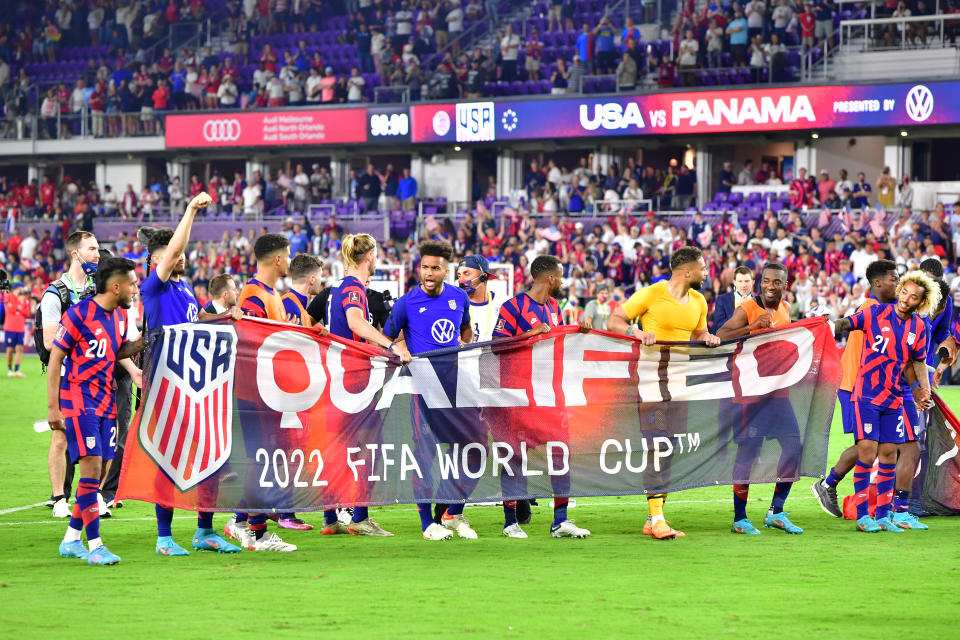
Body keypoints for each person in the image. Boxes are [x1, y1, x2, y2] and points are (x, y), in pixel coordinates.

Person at [140, 193, 242, 556]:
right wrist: (190, 211)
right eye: (173, 254)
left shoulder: (183, 288)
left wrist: (230, 318)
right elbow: (173, 251)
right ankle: (164, 537)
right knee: (169, 456)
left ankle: (204, 531)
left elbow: (199, 321)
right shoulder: (154, 286)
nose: (181, 257)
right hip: (166, 382)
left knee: (212, 453)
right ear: (157, 260)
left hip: (196, 383)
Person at [607, 246, 721, 539]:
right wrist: (637, 332)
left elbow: (697, 333)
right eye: (703, 267)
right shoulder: (651, 293)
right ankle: (658, 518)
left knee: (670, 450)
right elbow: (614, 321)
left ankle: (652, 517)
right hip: (650, 384)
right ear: (687, 271)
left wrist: (705, 337)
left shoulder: (698, 300)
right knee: (656, 446)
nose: (706, 272)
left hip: (680, 386)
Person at [811, 260, 931, 530]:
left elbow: (913, 364)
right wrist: (827, 324)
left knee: (888, 453)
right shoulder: (873, 311)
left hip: (894, 397)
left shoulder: (918, 328)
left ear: (919, 302)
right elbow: (846, 324)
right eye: (903, 289)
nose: (906, 297)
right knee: (868, 451)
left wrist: (919, 390)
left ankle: (884, 516)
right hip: (863, 391)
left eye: (913, 296)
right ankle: (863, 513)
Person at [48, 256, 145, 565]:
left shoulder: (118, 317)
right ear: (115, 287)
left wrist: (144, 342)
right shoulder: (78, 315)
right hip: (79, 398)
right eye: (131, 284)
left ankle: (71, 539)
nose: (135, 288)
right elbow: (55, 360)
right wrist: (53, 407)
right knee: (91, 469)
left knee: (101, 469)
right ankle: (96, 545)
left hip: (106, 398)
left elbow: (116, 351)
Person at [492, 255, 591, 539]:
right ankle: (510, 522)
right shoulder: (513, 307)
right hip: (518, 395)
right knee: (514, 457)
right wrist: (530, 334)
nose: (563, 281)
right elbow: (496, 346)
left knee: (561, 454)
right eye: (560, 276)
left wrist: (579, 332)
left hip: (549, 394)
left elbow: (556, 343)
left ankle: (560, 521)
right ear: (550, 278)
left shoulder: (554, 307)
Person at [383, 241, 473, 540]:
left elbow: (465, 331)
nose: (429, 273)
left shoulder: (459, 297)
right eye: (425, 267)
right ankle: (427, 525)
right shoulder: (406, 303)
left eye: (435, 268)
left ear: (446, 270)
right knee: (425, 454)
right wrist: (400, 348)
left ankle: (447, 511)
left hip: (456, 387)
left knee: (474, 450)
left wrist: (462, 346)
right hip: (423, 389)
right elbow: (385, 339)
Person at [321, 234, 410, 536]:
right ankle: (359, 516)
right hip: (352, 378)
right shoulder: (353, 288)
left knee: (341, 446)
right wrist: (391, 346)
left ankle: (331, 517)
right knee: (367, 446)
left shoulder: (338, 288)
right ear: (369, 256)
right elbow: (356, 322)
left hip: (340, 376)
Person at [224, 233, 300, 551]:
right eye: (289, 254)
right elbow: (252, 345)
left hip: (266, 393)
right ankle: (255, 533)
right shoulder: (254, 295)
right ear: (278, 259)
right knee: (258, 459)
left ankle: (242, 520)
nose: (291, 259)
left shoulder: (271, 295)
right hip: (253, 393)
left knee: (262, 458)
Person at [716, 263, 804, 535]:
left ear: (784, 285)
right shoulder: (748, 309)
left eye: (776, 282)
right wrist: (752, 326)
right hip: (751, 397)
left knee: (793, 448)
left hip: (778, 394)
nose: (770, 286)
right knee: (748, 455)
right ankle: (739, 519)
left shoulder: (785, 309)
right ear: (759, 282)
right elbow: (720, 336)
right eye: (766, 280)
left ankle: (776, 512)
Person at [38, 231, 101, 517]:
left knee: (96, 435)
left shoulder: (98, 289)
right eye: (92, 249)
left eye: (98, 248)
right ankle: (59, 497)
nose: (98, 254)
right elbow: (51, 341)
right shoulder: (55, 293)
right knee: (62, 436)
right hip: (66, 375)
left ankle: (91, 496)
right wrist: (86, 337)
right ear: (76, 254)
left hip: (95, 374)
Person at [457, 254, 500, 342]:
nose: (461, 281)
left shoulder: (502, 302)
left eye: (466, 273)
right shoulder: (455, 306)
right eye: (459, 275)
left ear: (483, 276)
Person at [712, 266, 754, 332]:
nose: (743, 285)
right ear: (734, 282)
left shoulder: (759, 301)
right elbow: (719, 326)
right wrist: (739, 310)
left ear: (752, 282)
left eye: (747, 281)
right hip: (731, 341)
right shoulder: (722, 299)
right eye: (740, 281)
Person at [4, 283, 30, 376]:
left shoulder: (24, 299)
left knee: (19, 349)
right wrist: (18, 303)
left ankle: (17, 370)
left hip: (20, 328)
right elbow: (10, 310)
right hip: (10, 327)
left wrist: (18, 309)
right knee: (10, 349)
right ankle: (10, 370)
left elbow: (27, 313)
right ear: (15, 289)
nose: (22, 291)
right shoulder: (8, 297)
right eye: (20, 289)